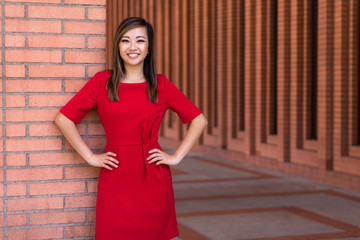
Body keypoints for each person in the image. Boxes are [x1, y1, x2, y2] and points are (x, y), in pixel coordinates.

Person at [55, 17, 207, 240]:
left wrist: (176, 156)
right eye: (125, 40)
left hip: (153, 178)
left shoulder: (161, 84)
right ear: (118, 46)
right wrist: (89, 157)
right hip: (115, 177)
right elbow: (63, 119)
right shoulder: (102, 82)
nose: (133, 47)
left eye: (140, 41)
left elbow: (198, 119)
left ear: (148, 48)